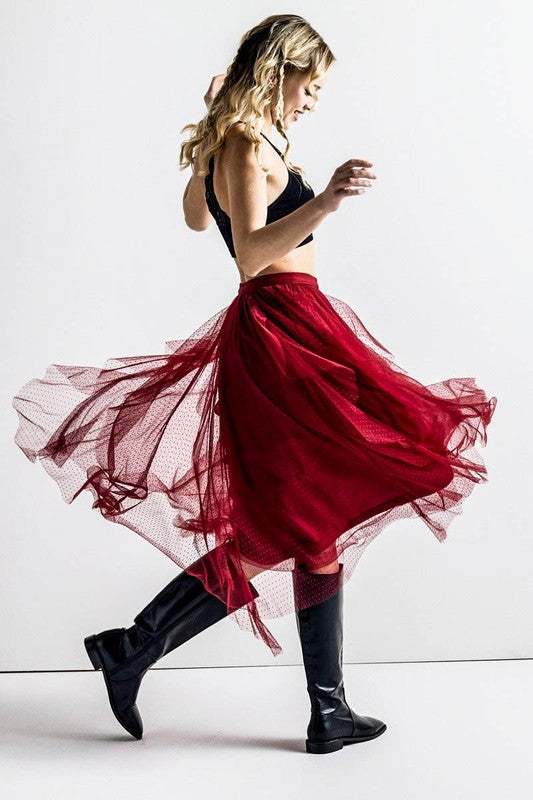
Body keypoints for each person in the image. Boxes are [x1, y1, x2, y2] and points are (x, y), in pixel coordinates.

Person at [11, 14, 497, 755]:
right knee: (294, 521)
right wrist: (324, 199)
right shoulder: (243, 140)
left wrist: (214, 132)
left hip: (298, 323)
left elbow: (192, 217)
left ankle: (313, 706)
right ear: (279, 69)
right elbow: (246, 254)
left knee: (312, 522)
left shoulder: (245, 137)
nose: (314, 100)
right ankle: (143, 650)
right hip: (279, 331)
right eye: (311, 84)